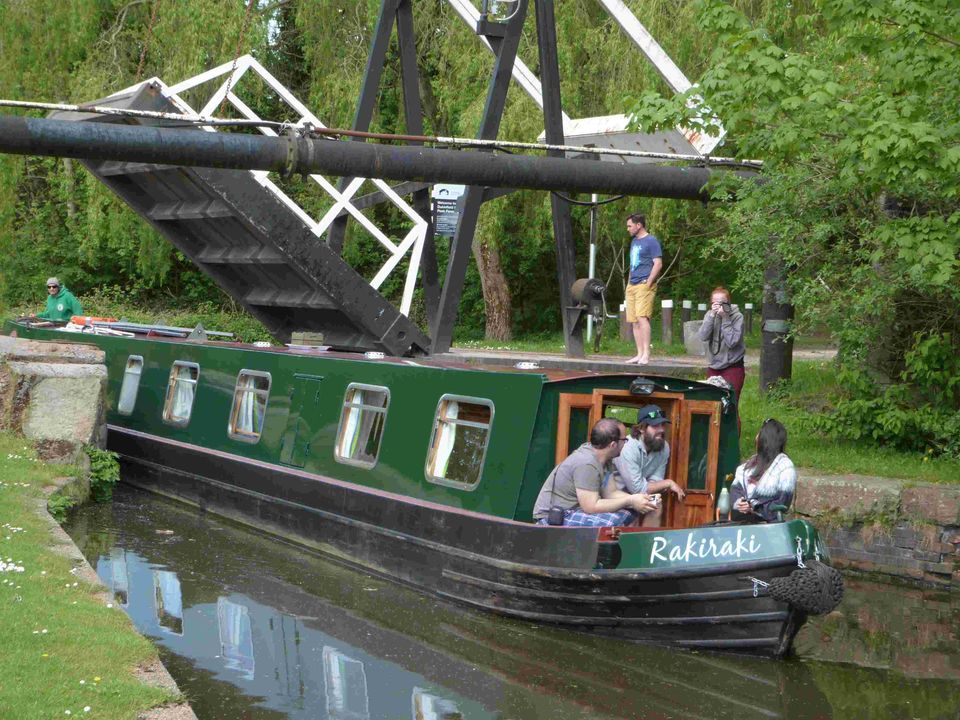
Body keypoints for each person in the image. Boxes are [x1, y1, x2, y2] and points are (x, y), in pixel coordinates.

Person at [533, 418, 658, 527]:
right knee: (614, 521)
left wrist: (643, 499)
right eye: (624, 440)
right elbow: (591, 506)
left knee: (629, 514)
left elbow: (611, 493)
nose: (625, 443)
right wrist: (630, 501)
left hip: (575, 511)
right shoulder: (587, 463)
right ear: (613, 444)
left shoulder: (605, 458)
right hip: (554, 516)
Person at [613, 404, 686, 527]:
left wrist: (655, 487)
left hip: (639, 493)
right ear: (642, 428)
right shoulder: (628, 447)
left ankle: (647, 543)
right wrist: (668, 483)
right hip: (615, 496)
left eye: (662, 425)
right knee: (631, 515)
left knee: (656, 503)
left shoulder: (664, 447)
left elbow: (656, 480)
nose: (661, 430)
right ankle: (628, 546)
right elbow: (637, 488)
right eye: (655, 426)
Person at [730, 418, 796, 522]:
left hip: (769, 528)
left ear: (765, 440)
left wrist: (755, 507)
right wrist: (740, 503)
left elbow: (782, 503)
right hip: (742, 526)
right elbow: (736, 490)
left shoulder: (785, 467)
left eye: (759, 434)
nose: (756, 438)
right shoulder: (747, 467)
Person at [624, 213, 662, 365]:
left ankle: (646, 353)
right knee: (633, 320)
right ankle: (639, 354)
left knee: (642, 317)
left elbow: (658, 263)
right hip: (632, 284)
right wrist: (628, 284)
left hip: (644, 283)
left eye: (629, 226)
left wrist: (649, 282)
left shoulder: (651, 241)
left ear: (638, 225)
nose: (628, 229)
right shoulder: (634, 241)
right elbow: (633, 264)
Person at [697, 287, 746, 406]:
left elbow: (732, 342)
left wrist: (725, 318)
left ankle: (733, 425)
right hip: (714, 366)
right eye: (715, 303)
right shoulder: (709, 315)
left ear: (728, 302)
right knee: (711, 403)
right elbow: (703, 336)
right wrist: (711, 316)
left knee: (730, 404)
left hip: (732, 366)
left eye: (722, 303)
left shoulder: (737, 316)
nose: (719, 306)